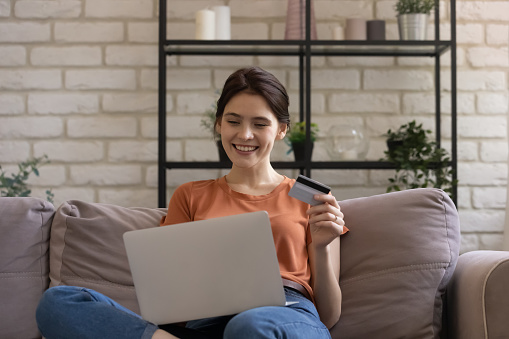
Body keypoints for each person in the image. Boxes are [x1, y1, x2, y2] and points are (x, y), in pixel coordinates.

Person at [35, 66, 348, 339]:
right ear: (219, 125)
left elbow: (329, 316)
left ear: (281, 130)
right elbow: (172, 305)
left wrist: (320, 247)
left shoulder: (310, 199)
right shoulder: (190, 195)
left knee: (250, 326)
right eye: (234, 121)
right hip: (207, 324)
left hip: (286, 317)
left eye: (260, 124)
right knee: (58, 302)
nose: (245, 134)